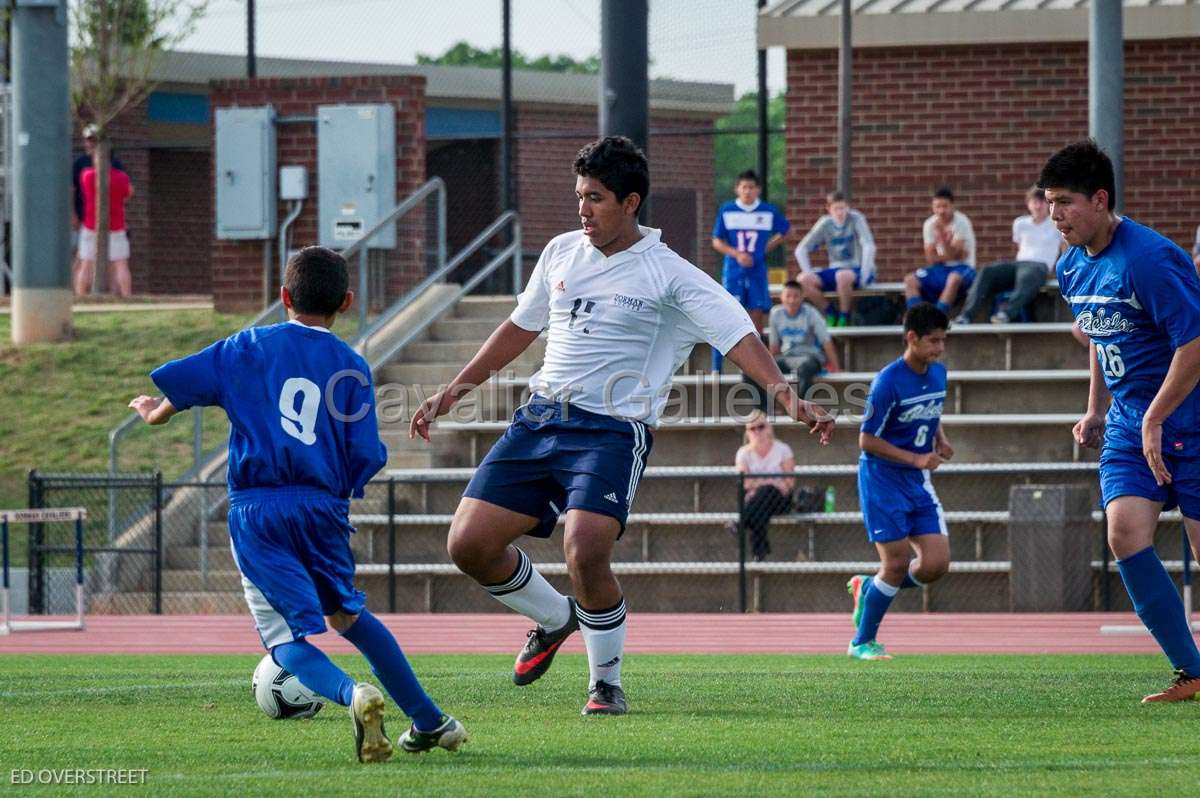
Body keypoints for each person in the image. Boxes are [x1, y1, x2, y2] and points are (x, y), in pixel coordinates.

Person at [409, 137, 834, 716]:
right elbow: (519, 327)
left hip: (612, 432)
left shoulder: (671, 274)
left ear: (631, 202)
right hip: (540, 421)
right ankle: (556, 618)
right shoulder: (560, 252)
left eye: (597, 199)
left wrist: (788, 398)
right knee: (467, 545)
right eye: (579, 196)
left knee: (584, 550)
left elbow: (739, 336)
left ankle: (604, 681)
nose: (583, 209)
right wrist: (450, 393)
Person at [128, 247, 466, 761]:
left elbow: (195, 381)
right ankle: (429, 720)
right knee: (349, 617)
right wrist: (340, 493)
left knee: (282, 639)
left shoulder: (247, 346)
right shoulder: (351, 366)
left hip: (259, 509)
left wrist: (160, 413)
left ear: (283, 296)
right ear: (347, 302)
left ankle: (353, 696)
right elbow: (367, 452)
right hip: (323, 508)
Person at [1043, 139, 1200, 702]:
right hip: (1131, 423)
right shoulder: (1071, 267)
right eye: (1048, 202)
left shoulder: (1149, 260)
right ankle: (1192, 670)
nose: (1055, 215)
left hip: (1190, 420)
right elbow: (1099, 333)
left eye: (1065, 202)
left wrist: (1157, 416)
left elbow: (1195, 344)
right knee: (1124, 533)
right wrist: (1096, 407)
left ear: (1101, 199)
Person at [847, 303, 953, 661]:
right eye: (933, 341)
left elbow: (929, 410)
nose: (939, 348)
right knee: (895, 563)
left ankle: (870, 588)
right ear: (912, 338)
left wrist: (940, 437)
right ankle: (862, 642)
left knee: (936, 563)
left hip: (916, 481)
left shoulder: (938, 373)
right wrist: (916, 458)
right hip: (883, 480)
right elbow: (866, 439)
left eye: (943, 341)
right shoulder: (887, 383)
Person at [710, 169, 791, 371]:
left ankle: (757, 366)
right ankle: (717, 366)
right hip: (734, 272)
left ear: (758, 190)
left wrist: (765, 248)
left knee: (756, 316)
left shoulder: (767, 211)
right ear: (737, 189)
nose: (747, 191)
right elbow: (717, 241)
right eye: (744, 187)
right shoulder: (728, 210)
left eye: (751, 187)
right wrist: (737, 254)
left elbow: (787, 231)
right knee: (728, 314)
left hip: (756, 271)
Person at [954, 187, 1065, 325]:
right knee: (987, 271)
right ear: (1028, 204)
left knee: (1027, 274)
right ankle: (966, 316)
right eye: (1034, 202)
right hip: (1019, 264)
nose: (1038, 206)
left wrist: (1060, 273)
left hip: (1039, 266)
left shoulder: (1056, 224)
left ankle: (1005, 314)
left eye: (1042, 202)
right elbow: (1019, 247)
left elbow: (1065, 251)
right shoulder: (1020, 223)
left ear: (1049, 204)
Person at [794, 191, 877, 327]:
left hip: (856, 268)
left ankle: (845, 317)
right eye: (836, 209)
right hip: (836, 269)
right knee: (802, 279)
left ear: (847, 207)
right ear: (829, 209)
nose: (840, 212)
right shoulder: (825, 223)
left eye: (843, 208)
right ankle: (830, 312)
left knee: (842, 276)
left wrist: (864, 274)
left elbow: (869, 245)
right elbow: (801, 249)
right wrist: (808, 272)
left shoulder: (856, 218)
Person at [732, 411, 796, 562]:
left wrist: (761, 484)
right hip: (756, 501)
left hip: (780, 500)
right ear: (747, 432)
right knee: (762, 499)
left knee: (766, 492)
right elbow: (745, 482)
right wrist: (772, 481)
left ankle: (742, 523)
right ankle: (760, 551)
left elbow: (789, 484)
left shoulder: (783, 449)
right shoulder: (743, 453)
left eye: (760, 427)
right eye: (752, 428)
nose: (757, 432)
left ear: (768, 428)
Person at [905, 187, 976, 314]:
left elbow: (960, 256)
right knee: (910, 279)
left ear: (952, 206)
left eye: (945, 206)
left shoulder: (962, 222)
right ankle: (916, 318)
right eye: (937, 207)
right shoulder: (929, 224)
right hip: (940, 268)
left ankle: (938, 318)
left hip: (963, 268)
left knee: (953, 279)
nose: (941, 211)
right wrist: (949, 252)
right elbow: (930, 258)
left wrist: (942, 239)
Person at [769, 279, 841, 401]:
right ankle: (767, 409)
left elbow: (826, 341)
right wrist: (770, 363)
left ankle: (799, 407)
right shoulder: (776, 313)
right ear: (781, 297)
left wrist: (836, 367)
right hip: (788, 357)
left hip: (811, 358)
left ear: (802, 297)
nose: (792, 300)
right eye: (788, 296)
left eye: (796, 296)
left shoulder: (811, 313)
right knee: (763, 367)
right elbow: (774, 345)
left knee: (804, 368)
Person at [77, 160, 134, 297]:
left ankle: (81, 296)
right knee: (121, 263)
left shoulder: (87, 175)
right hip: (116, 225)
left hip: (91, 225)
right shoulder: (122, 177)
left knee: (86, 262)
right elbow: (129, 192)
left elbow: (85, 191)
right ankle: (127, 296)